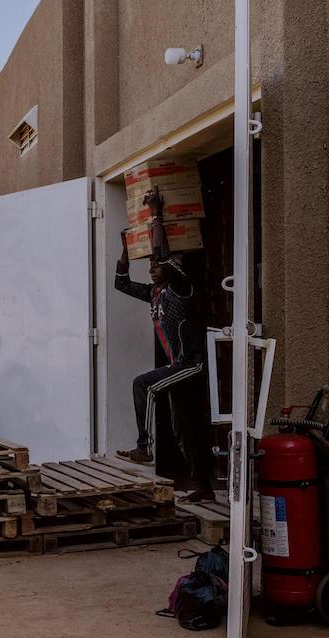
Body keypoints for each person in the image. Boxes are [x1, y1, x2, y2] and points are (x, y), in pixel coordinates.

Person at [114, 188, 215, 503]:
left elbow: (161, 254)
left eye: (156, 268)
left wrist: (156, 213)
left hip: (192, 363)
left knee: (145, 384)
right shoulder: (155, 293)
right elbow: (121, 283)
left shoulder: (180, 288)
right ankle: (204, 486)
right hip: (177, 368)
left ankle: (144, 447)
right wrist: (126, 251)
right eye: (151, 269)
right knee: (181, 427)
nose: (153, 269)